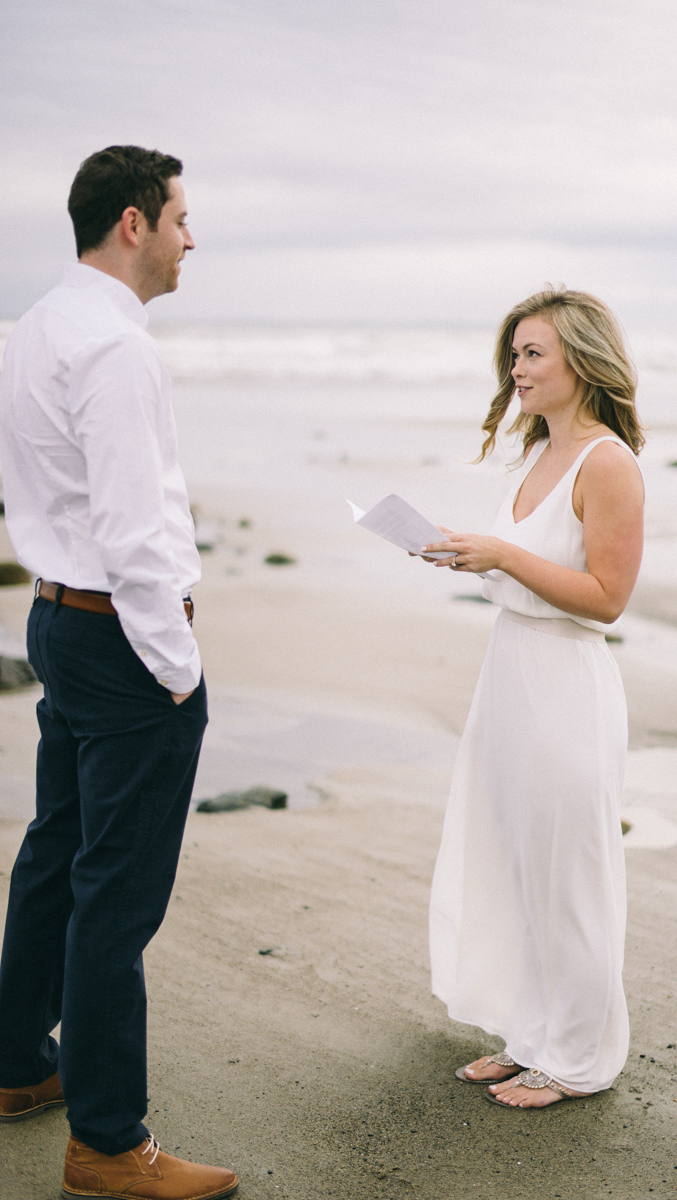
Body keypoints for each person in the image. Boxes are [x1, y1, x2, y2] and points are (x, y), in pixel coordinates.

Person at [0, 147, 238, 1198]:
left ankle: (13, 1065)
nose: (193, 238)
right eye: (183, 218)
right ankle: (106, 1142)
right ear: (134, 223)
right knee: (115, 893)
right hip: (118, 637)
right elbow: (135, 528)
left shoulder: (34, 327)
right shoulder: (113, 347)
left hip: (54, 618)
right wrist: (177, 668)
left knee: (57, 850)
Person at [423, 287, 645, 1108]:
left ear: (580, 361)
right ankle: (531, 1037)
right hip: (507, 680)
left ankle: (579, 1057)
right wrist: (466, 552)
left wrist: (503, 560)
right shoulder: (533, 454)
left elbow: (606, 597)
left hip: (565, 687)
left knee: (568, 876)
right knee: (516, 865)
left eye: (533, 353)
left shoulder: (607, 462)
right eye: (513, 354)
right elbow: (523, 561)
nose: (516, 369)